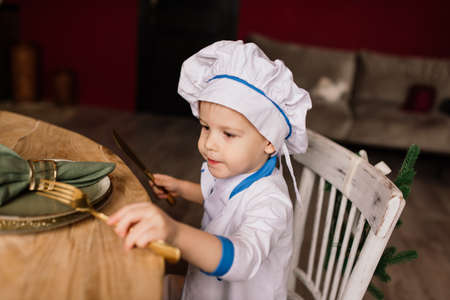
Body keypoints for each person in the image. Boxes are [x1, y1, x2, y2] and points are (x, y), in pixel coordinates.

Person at [107, 40, 312, 300]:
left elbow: (243, 259)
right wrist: (181, 188)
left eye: (228, 134)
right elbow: (220, 199)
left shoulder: (271, 202)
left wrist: (175, 231)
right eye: (206, 127)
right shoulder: (240, 171)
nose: (210, 144)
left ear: (269, 141)